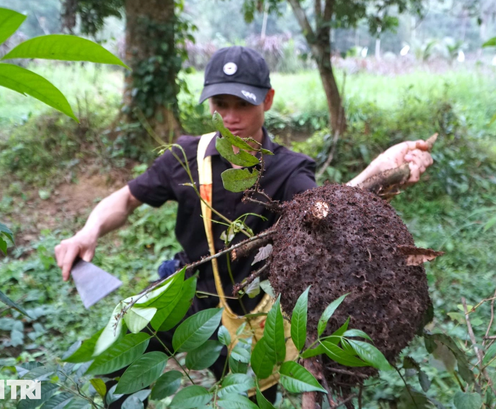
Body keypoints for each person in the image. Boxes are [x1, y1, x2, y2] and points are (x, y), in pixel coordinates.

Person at [54, 46, 434, 407]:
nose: (232, 117)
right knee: (115, 368)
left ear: (267, 100)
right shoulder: (187, 156)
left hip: (246, 309)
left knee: (250, 398)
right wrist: (87, 232)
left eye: (244, 104)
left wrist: (379, 170)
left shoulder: (287, 169)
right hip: (182, 290)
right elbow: (127, 198)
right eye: (221, 105)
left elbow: (327, 213)